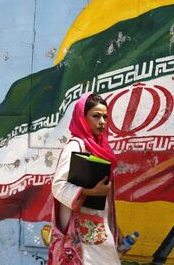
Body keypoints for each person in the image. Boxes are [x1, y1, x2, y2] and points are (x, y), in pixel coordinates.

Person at [48, 93, 121, 265]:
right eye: (96, 116)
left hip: (96, 229)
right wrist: (90, 191)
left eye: (105, 117)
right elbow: (58, 186)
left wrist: (114, 229)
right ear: (82, 117)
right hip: (80, 233)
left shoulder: (101, 147)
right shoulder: (75, 147)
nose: (102, 121)